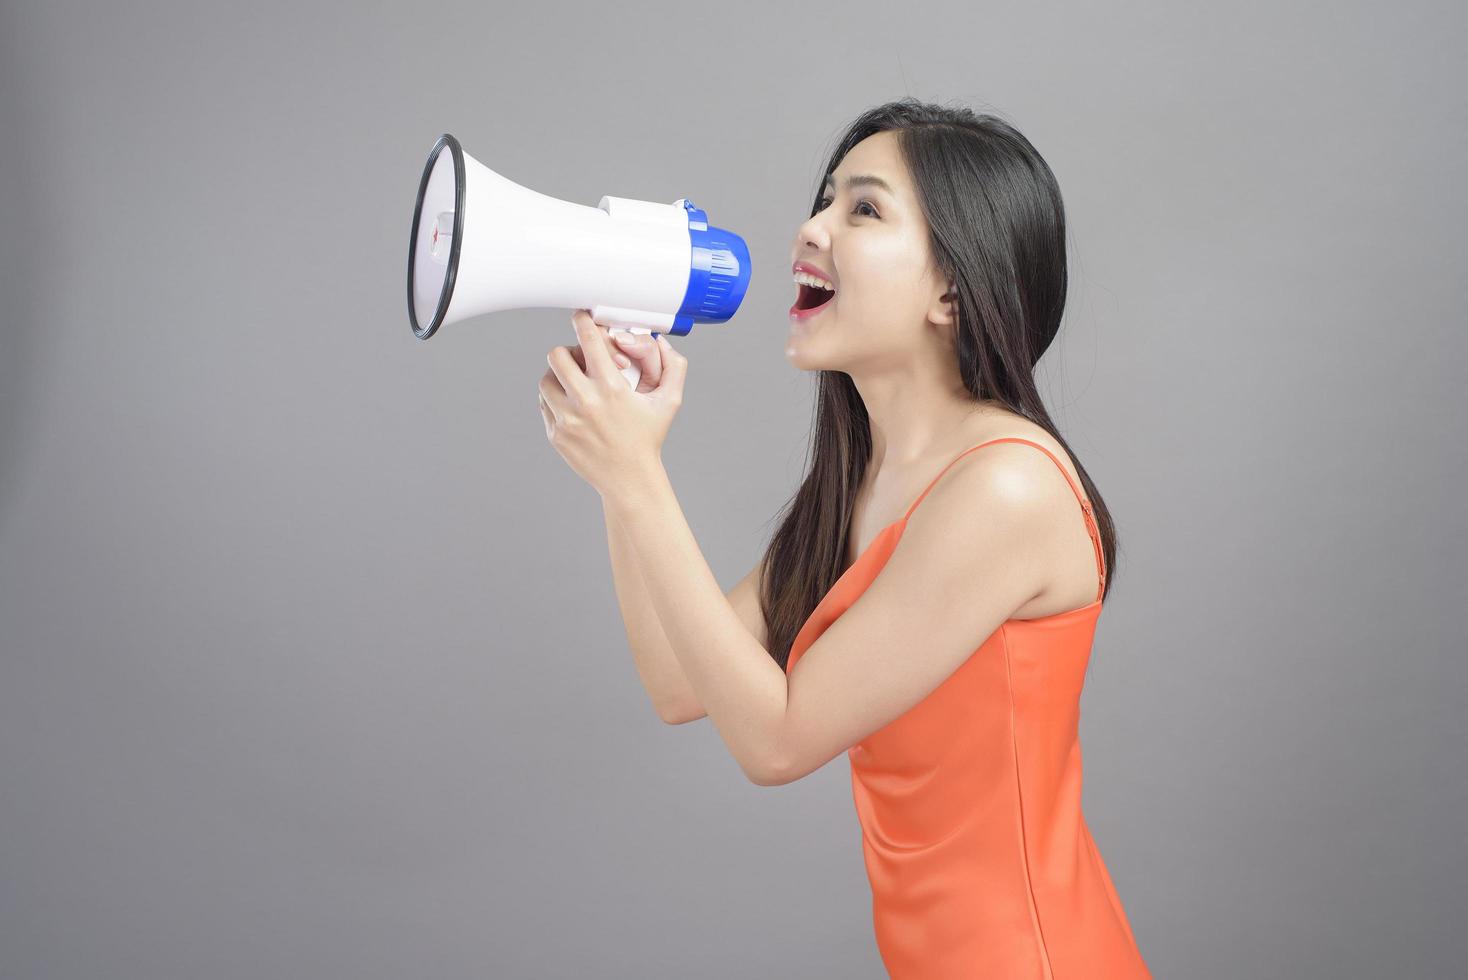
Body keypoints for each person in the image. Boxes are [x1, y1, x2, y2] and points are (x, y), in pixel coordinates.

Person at [560, 97, 1153, 979]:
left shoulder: (1006, 485)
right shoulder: (859, 484)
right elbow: (680, 683)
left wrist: (640, 478)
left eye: (863, 209)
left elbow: (777, 741)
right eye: (826, 199)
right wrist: (619, 474)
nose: (810, 227)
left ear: (953, 289)